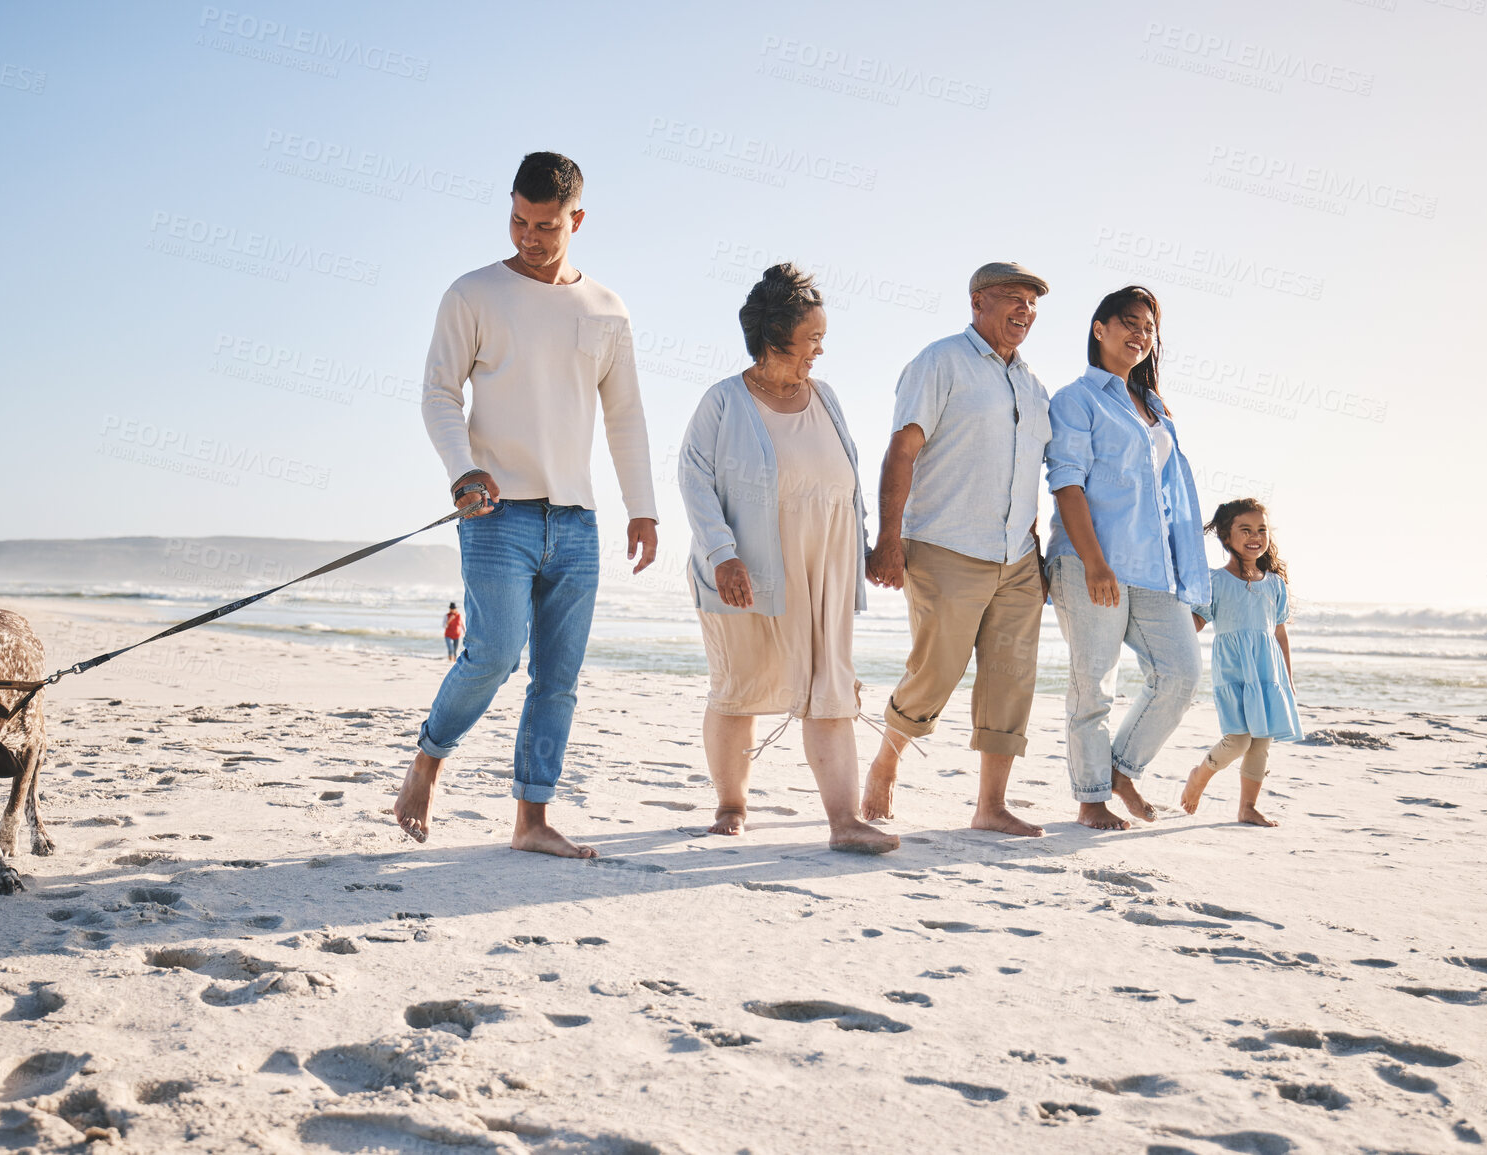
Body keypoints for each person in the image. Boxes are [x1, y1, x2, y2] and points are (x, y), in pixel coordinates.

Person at [394, 151, 659, 859]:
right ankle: (428, 757)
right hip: (495, 513)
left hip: (576, 520)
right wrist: (463, 470)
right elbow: (438, 394)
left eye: (544, 225)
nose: (528, 237)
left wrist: (643, 507)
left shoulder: (606, 308)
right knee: (491, 654)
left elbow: (625, 415)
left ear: (576, 219)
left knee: (558, 680)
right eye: (517, 220)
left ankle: (531, 819)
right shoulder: (472, 294)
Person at [680, 264, 898, 854]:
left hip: (824, 569)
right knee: (738, 687)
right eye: (812, 340)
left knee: (830, 687)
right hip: (745, 573)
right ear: (775, 338)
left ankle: (844, 822)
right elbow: (694, 480)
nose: (820, 351)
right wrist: (723, 554)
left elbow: (845, 483)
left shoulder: (826, 397)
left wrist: (868, 548)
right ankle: (731, 802)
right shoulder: (724, 401)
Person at [863, 262, 1054, 838]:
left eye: (1032, 303)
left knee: (1011, 679)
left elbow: (1031, 474)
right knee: (936, 670)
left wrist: (1037, 549)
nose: (1024, 311)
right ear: (978, 301)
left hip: (1018, 557)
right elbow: (902, 451)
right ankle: (886, 757)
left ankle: (990, 806)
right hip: (946, 543)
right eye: (1012, 299)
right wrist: (887, 541)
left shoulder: (1032, 384)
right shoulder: (939, 361)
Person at [1045, 285, 1209, 831]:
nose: (1141, 335)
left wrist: (1193, 582)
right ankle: (1092, 799)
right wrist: (1093, 562)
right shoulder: (1077, 398)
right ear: (1100, 329)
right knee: (1094, 684)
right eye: (1130, 323)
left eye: (1149, 328)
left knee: (1181, 674)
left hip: (1155, 569)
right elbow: (1067, 483)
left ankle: (1118, 770)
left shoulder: (1156, 408)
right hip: (1091, 562)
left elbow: (1171, 498)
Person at [1180, 499, 1300, 827]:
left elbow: (1279, 634)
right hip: (1233, 670)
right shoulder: (1215, 581)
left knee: (1261, 741)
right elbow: (1197, 622)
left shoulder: (1274, 583)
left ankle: (1247, 807)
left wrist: (1287, 680)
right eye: (1244, 529)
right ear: (1226, 537)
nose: (1255, 536)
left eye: (1261, 530)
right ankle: (1200, 776)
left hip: (1267, 672)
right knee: (1238, 739)